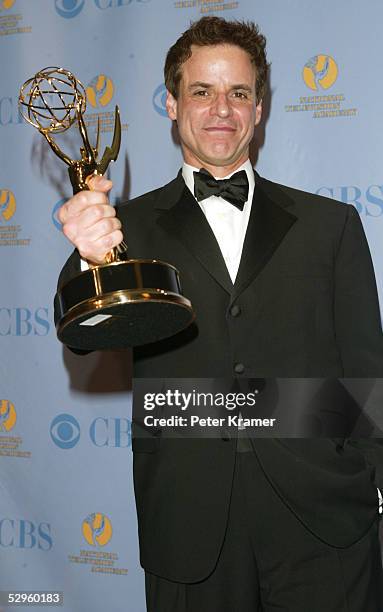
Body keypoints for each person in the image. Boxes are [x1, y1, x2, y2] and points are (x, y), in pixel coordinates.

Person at [56, 16, 383, 612]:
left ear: (260, 109)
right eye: (201, 91)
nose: (221, 109)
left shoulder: (330, 225)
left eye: (239, 93)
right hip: (188, 521)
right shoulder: (126, 229)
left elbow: (367, 369)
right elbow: (81, 339)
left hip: (324, 518)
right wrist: (88, 258)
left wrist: (370, 484)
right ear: (173, 105)